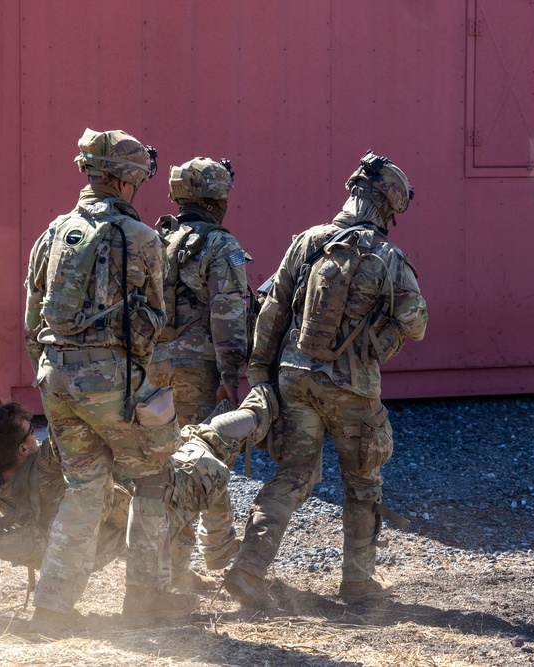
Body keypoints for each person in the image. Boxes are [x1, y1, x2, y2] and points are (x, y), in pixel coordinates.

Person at [223, 151, 428, 609]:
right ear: (387, 206)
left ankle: (247, 570)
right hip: (352, 387)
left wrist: (260, 371)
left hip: (294, 377)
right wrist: (382, 338)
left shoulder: (309, 241)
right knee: (362, 482)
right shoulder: (389, 257)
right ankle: (357, 583)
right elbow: (416, 321)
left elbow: (274, 308)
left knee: (293, 475)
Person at [23, 128, 191, 633]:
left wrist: (53, 369)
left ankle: (51, 606)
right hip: (111, 381)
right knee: (154, 478)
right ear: (124, 180)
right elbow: (159, 319)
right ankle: (144, 599)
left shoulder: (52, 233)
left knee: (85, 487)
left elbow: (34, 320)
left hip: (56, 377)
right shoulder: (140, 238)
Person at [0, 385, 275, 597]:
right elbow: (76, 421)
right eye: (31, 433)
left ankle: (181, 572)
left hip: (106, 538)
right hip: (141, 518)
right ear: (22, 449)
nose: (37, 437)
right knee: (210, 442)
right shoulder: (45, 467)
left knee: (185, 446)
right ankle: (267, 399)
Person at [149, 157, 250, 424]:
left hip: (151, 369)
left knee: (161, 456)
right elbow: (227, 313)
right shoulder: (220, 243)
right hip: (197, 372)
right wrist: (229, 376)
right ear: (216, 199)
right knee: (199, 456)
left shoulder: (156, 239)